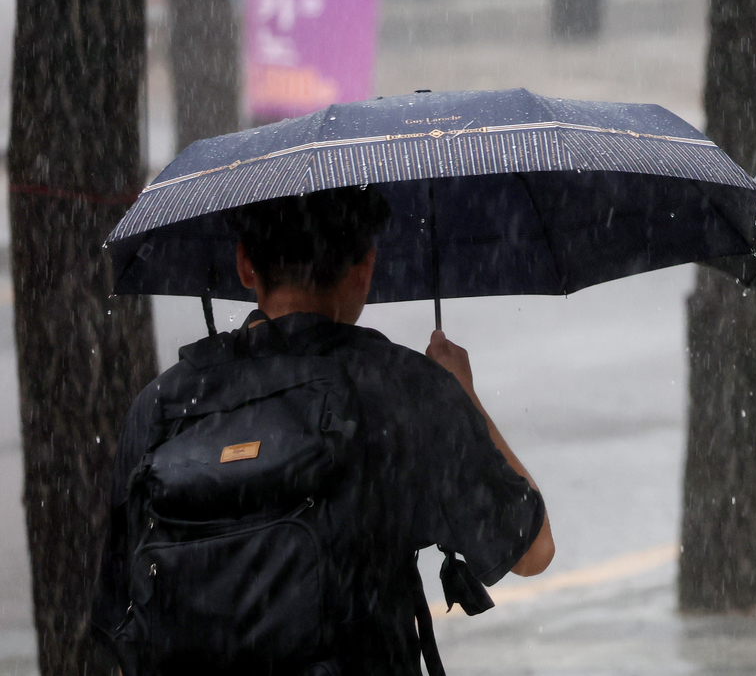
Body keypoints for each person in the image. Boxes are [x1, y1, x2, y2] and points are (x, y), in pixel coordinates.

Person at [92, 186, 554, 675]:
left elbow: (122, 620)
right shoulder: (402, 390)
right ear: (365, 270)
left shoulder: (162, 406)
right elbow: (531, 548)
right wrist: (464, 396)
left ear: (245, 264)